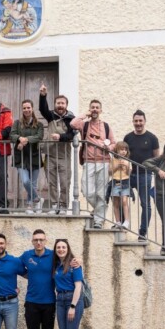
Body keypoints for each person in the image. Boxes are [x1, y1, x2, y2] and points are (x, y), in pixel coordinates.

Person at [70, 99, 116, 229]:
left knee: (101, 192)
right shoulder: (84, 125)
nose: (95, 109)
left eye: (97, 107)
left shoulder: (106, 126)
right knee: (87, 190)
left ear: (101, 110)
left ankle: (98, 221)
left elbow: (114, 143)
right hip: (89, 162)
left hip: (104, 162)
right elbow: (73, 124)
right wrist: (85, 114)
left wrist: (109, 148)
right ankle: (99, 211)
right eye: (92, 107)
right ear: (90, 109)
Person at [19, 229, 57, 329]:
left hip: (49, 302)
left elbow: (67, 260)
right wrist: (29, 275)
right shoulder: (27, 255)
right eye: (36, 240)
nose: (39, 242)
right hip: (31, 302)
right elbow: (13, 265)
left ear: (45, 241)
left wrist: (77, 260)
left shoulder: (53, 256)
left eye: (41, 239)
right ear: (32, 241)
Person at [38, 84, 75, 214]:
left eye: (62, 103)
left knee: (65, 183)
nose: (60, 105)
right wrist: (43, 96)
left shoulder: (71, 119)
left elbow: (72, 135)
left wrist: (60, 136)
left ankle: (64, 206)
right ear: (55, 104)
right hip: (50, 155)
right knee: (52, 183)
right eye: (58, 103)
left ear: (66, 105)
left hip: (64, 156)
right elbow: (42, 109)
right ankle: (54, 205)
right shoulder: (50, 116)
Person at [124, 110, 160, 239]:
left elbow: (157, 159)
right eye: (136, 121)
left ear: (144, 121)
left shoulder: (152, 138)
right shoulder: (128, 137)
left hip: (145, 175)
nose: (138, 123)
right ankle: (122, 224)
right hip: (128, 175)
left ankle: (143, 232)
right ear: (133, 122)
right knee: (120, 198)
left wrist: (157, 175)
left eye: (140, 121)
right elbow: (124, 155)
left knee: (145, 204)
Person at [52, 238, 84, 329]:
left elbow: (78, 287)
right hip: (60, 301)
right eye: (58, 247)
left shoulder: (74, 264)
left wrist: (72, 306)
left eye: (63, 247)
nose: (61, 249)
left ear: (68, 248)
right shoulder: (56, 265)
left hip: (72, 300)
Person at [10, 99, 44, 213]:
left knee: (33, 183)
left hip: (34, 156)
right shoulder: (17, 123)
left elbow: (39, 137)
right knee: (25, 181)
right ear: (22, 109)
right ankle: (37, 199)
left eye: (28, 107)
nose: (26, 110)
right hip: (21, 156)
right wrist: (20, 138)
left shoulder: (39, 124)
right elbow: (12, 135)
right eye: (24, 108)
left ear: (32, 108)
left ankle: (29, 205)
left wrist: (26, 140)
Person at [109, 142, 131, 230]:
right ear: (117, 150)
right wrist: (117, 167)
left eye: (125, 150)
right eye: (122, 149)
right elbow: (110, 172)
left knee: (124, 201)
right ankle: (117, 221)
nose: (124, 152)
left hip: (125, 182)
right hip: (115, 181)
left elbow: (129, 173)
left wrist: (127, 166)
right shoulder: (113, 160)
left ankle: (126, 221)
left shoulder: (128, 160)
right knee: (116, 203)